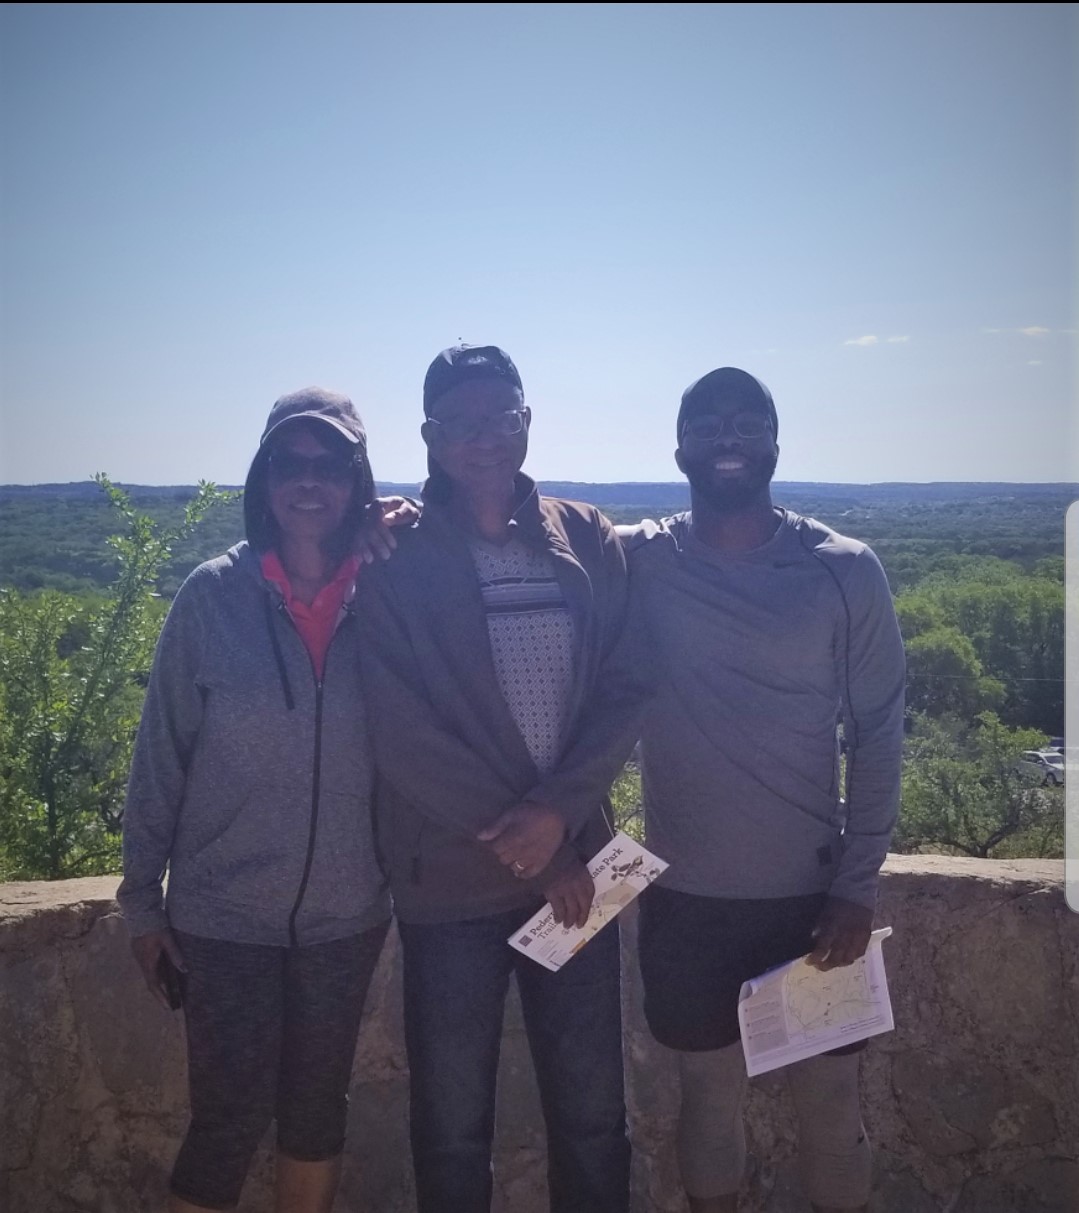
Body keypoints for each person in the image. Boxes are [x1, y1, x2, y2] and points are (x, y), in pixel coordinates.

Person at [352, 344, 648, 1213]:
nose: (484, 437)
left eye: (501, 417)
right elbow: (398, 730)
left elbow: (628, 682)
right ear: (430, 436)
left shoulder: (585, 535)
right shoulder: (395, 554)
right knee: (449, 1128)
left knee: (595, 1119)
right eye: (463, 422)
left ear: (526, 421)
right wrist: (532, 845)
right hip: (449, 882)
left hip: (576, 873)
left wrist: (556, 818)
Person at [622, 367, 906, 1213]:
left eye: (747, 422)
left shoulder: (842, 570)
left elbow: (880, 733)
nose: (727, 437)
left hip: (811, 898)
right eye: (706, 424)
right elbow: (531, 536)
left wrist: (855, 887)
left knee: (828, 1108)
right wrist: (399, 522)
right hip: (684, 900)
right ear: (678, 448)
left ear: (776, 441)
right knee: (708, 1102)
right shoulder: (639, 558)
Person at [118, 388, 394, 1213]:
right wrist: (140, 903)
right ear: (263, 476)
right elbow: (159, 757)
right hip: (223, 912)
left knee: (316, 1115)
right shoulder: (211, 596)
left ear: (357, 479)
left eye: (329, 464)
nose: (308, 481)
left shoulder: (386, 591)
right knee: (228, 1119)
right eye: (289, 462)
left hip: (347, 915)